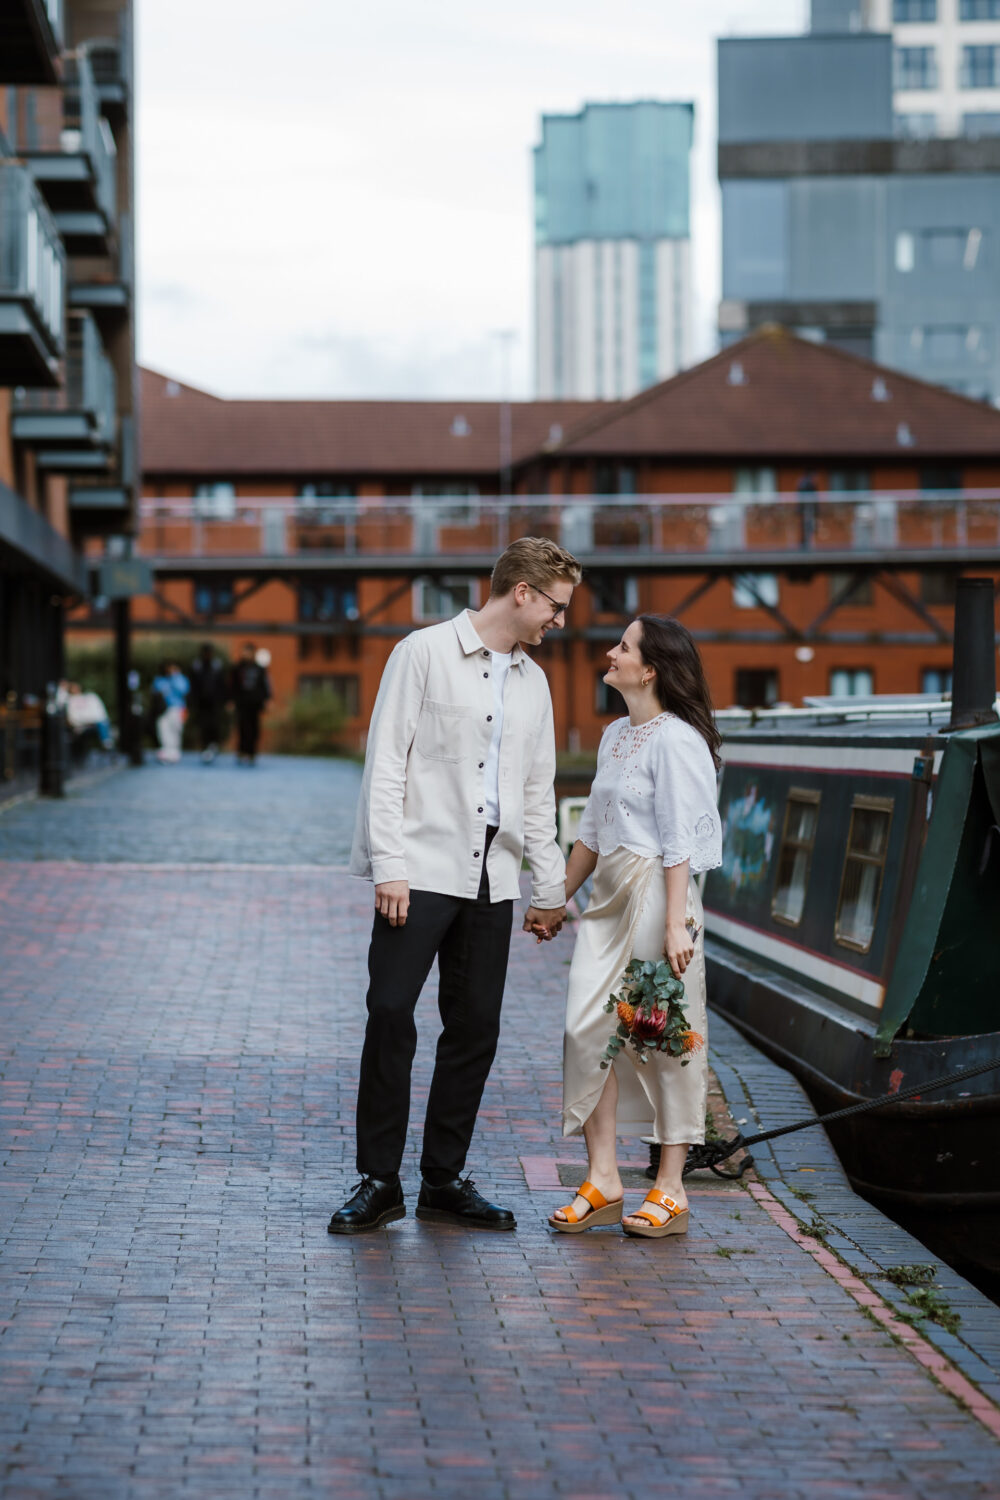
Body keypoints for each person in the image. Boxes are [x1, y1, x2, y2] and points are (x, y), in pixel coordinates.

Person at [329, 536, 582, 1235]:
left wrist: (550, 888)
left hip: (492, 880)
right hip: (420, 872)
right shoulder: (423, 653)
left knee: (475, 1031)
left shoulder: (535, 683)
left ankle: (443, 1179)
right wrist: (390, 866)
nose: (559, 623)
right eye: (556, 608)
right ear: (522, 592)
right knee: (390, 1013)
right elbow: (386, 766)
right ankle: (378, 1180)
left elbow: (537, 794)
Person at [549, 615, 722, 1238]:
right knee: (584, 1031)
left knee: (659, 1039)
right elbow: (592, 833)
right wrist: (553, 898)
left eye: (622, 646)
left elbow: (679, 842)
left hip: (656, 903)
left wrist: (676, 925)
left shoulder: (678, 741)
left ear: (649, 668)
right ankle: (604, 1180)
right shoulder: (615, 734)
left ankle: (670, 1188)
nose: (610, 652)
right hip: (607, 903)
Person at [229, 643, 271, 764]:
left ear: (253, 653)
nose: (245, 654)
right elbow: (232, 686)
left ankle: (251, 753)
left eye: (248, 652)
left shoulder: (260, 669)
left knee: (254, 729)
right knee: (242, 727)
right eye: (244, 652)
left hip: (255, 703)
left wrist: (267, 699)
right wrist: (231, 700)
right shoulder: (237, 668)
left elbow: (265, 685)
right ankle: (241, 752)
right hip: (241, 703)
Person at [188, 644, 228, 763]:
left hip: (214, 702)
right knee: (203, 725)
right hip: (201, 702)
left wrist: (224, 699)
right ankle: (205, 747)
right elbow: (193, 685)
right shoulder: (197, 666)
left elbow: (222, 684)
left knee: (214, 724)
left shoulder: (217, 666)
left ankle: (213, 745)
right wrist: (192, 700)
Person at [151, 661, 190, 764]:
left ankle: (174, 751)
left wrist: (175, 677)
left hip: (177, 707)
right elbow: (155, 691)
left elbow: (183, 690)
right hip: (163, 709)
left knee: (175, 729)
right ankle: (166, 750)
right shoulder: (160, 679)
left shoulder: (180, 679)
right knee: (163, 728)